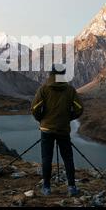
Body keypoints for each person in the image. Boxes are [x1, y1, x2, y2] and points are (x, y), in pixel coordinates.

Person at [31, 64, 84, 196]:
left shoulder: (43, 89)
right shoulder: (70, 90)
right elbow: (79, 109)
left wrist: (41, 119)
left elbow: (34, 108)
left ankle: (47, 188)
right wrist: (68, 118)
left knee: (46, 158)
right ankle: (71, 187)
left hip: (46, 129)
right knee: (68, 158)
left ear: (51, 73)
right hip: (63, 129)